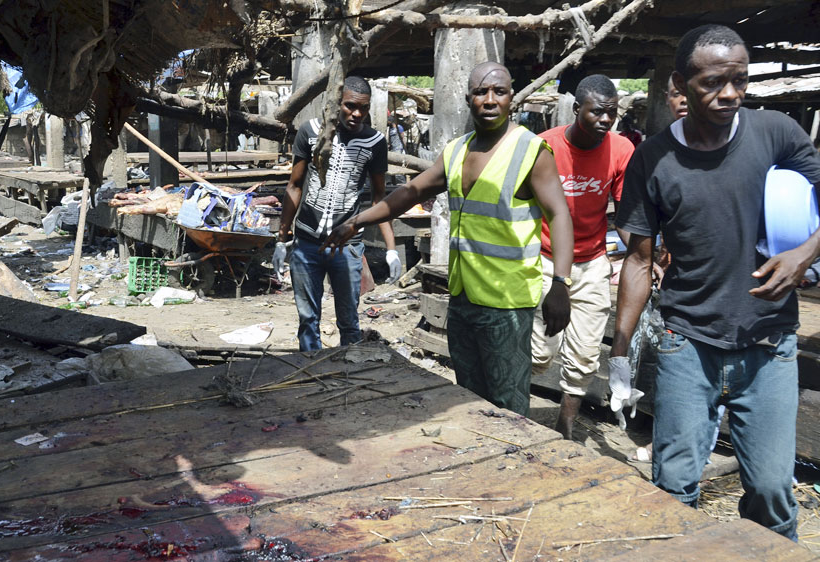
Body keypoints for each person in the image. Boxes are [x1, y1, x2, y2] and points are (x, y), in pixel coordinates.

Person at [612, 24, 820, 540]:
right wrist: (619, 351)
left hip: (769, 343)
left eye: (739, 81)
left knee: (772, 491)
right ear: (680, 84)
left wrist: (804, 253)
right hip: (687, 342)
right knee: (672, 488)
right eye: (711, 83)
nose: (729, 94)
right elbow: (638, 262)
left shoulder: (775, 132)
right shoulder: (652, 159)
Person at [323, 62, 573, 415]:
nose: (489, 100)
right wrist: (357, 221)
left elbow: (560, 214)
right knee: (469, 398)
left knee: (508, 403)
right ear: (468, 98)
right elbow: (410, 192)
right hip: (462, 295)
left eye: (498, 92)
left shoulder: (530, 151)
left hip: (507, 302)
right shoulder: (456, 151)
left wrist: (561, 282)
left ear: (511, 98)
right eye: (480, 92)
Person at [531, 75, 635, 439]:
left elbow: (623, 214)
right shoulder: (544, 147)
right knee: (539, 352)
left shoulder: (621, 150)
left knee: (585, 355)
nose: (606, 121)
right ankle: (513, 411)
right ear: (577, 110)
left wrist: (642, 254)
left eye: (612, 113)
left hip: (592, 261)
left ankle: (566, 426)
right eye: (597, 113)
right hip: (544, 258)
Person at [273, 76, 402, 351]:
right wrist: (281, 240)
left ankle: (349, 377)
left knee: (349, 321)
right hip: (307, 241)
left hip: (347, 245)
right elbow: (294, 187)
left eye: (363, 109)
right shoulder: (310, 132)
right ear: (336, 103)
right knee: (308, 319)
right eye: (350, 106)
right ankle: (311, 374)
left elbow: (379, 197)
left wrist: (391, 248)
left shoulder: (375, 142)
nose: (356, 114)